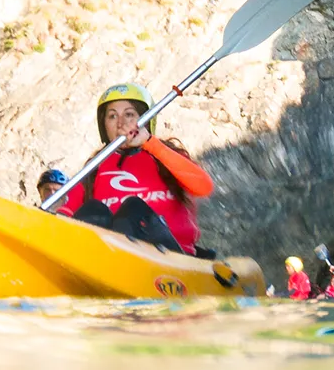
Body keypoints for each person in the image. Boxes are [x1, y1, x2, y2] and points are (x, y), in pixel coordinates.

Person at [49, 83, 215, 255]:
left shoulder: (164, 155)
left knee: (132, 209)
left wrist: (149, 143)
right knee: (93, 211)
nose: (121, 123)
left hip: (170, 256)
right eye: (112, 116)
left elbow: (204, 188)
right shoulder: (95, 166)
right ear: (104, 125)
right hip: (111, 258)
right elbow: (65, 215)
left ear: (145, 119)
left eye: (129, 114)